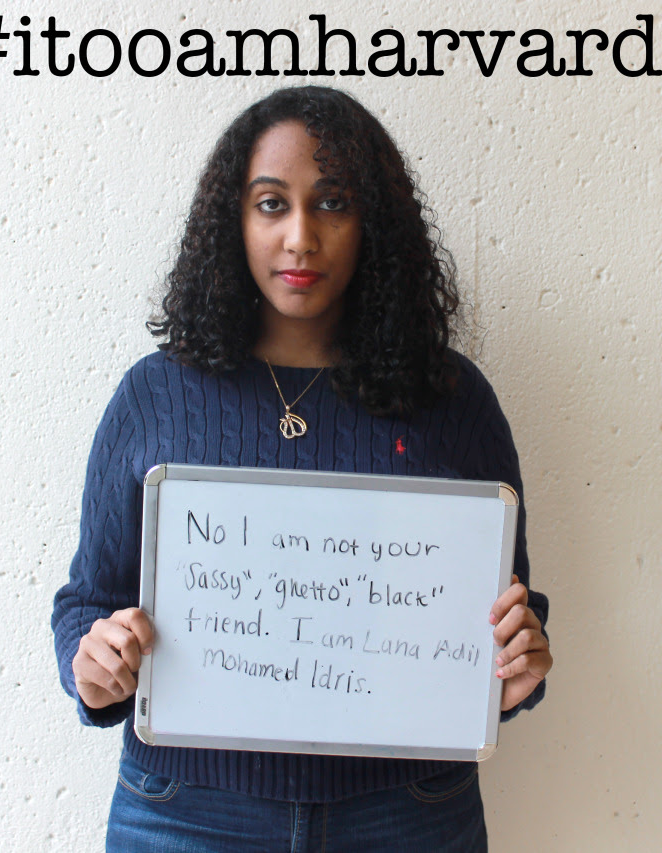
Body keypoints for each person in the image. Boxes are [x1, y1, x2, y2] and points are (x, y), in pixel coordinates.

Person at [51, 85, 552, 852]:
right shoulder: (155, 395)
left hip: (407, 812)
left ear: (373, 223)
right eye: (271, 204)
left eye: (333, 203)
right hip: (186, 810)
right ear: (233, 220)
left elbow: (509, 610)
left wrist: (517, 667)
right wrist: (92, 664)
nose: (300, 238)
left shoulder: (451, 398)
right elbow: (87, 603)